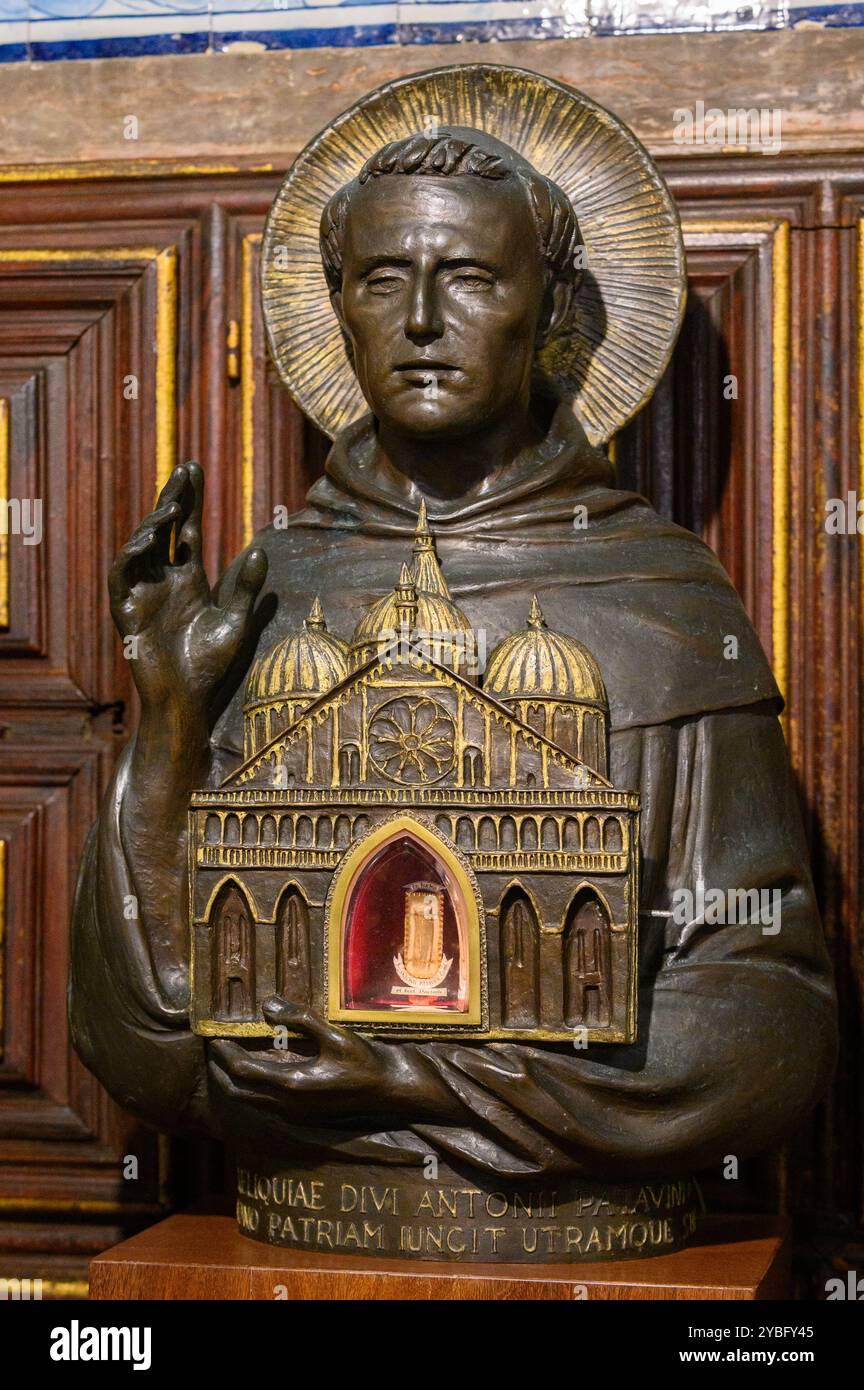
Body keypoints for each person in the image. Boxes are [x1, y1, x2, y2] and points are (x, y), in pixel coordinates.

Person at [70, 123, 836, 1185]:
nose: (423, 320)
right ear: (337, 310)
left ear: (553, 309)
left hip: (587, 1236)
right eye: (384, 279)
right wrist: (167, 723)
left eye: (471, 276)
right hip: (307, 1212)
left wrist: (421, 1081)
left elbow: (775, 1020)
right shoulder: (266, 590)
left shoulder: (662, 595)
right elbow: (144, 1032)